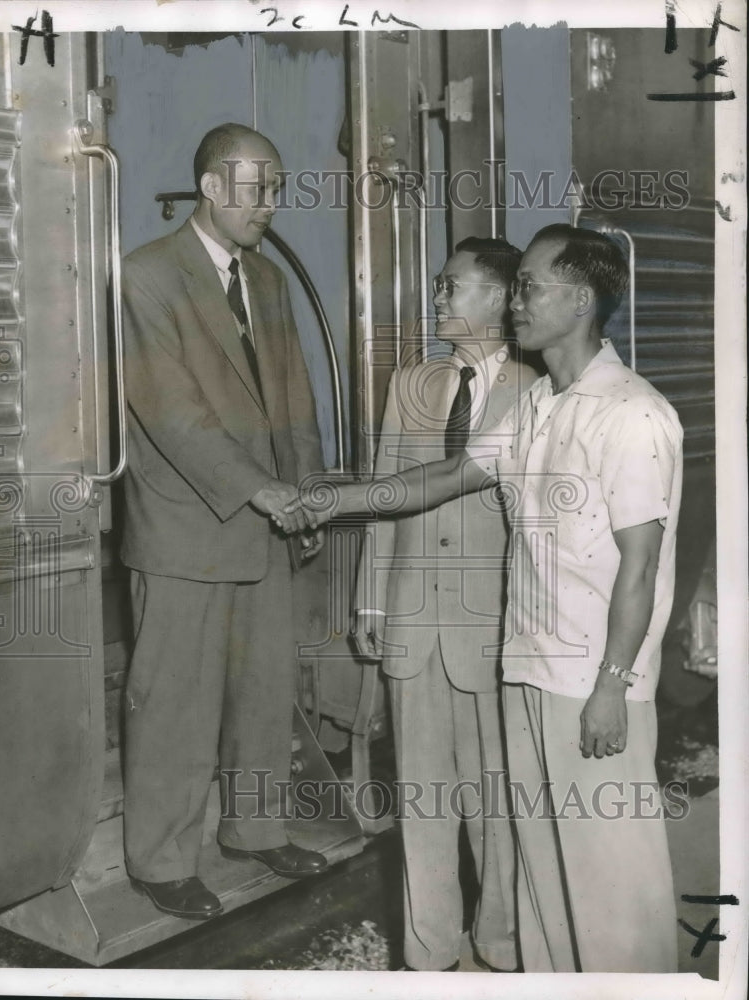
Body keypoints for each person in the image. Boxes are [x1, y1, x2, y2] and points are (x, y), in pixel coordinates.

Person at [285, 224, 682, 972]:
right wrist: (329, 504)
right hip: (525, 672)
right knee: (541, 874)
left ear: (582, 297)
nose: (517, 302)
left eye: (530, 286)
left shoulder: (632, 413)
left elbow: (642, 567)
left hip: (589, 682)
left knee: (611, 878)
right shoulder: (540, 410)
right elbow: (440, 478)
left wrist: (613, 686)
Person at [120, 123, 328, 921]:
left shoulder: (268, 283)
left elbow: (295, 401)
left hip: (270, 518)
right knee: (175, 702)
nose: (271, 204)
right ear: (211, 186)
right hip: (186, 527)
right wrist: (262, 491)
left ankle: (254, 828)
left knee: (263, 693)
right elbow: (172, 414)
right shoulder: (145, 276)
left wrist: (306, 492)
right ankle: (162, 861)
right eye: (257, 188)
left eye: (277, 188)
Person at [352, 238, 536, 972]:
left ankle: (501, 944)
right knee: (422, 805)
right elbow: (387, 495)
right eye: (436, 286)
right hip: (412, 624)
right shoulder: (412, 384)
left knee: (497, 803)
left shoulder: (538, 388)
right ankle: (431, 956)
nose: (437, 299)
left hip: (493, 633)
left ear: (496, 298)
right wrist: (371, 605)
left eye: (451, 287)